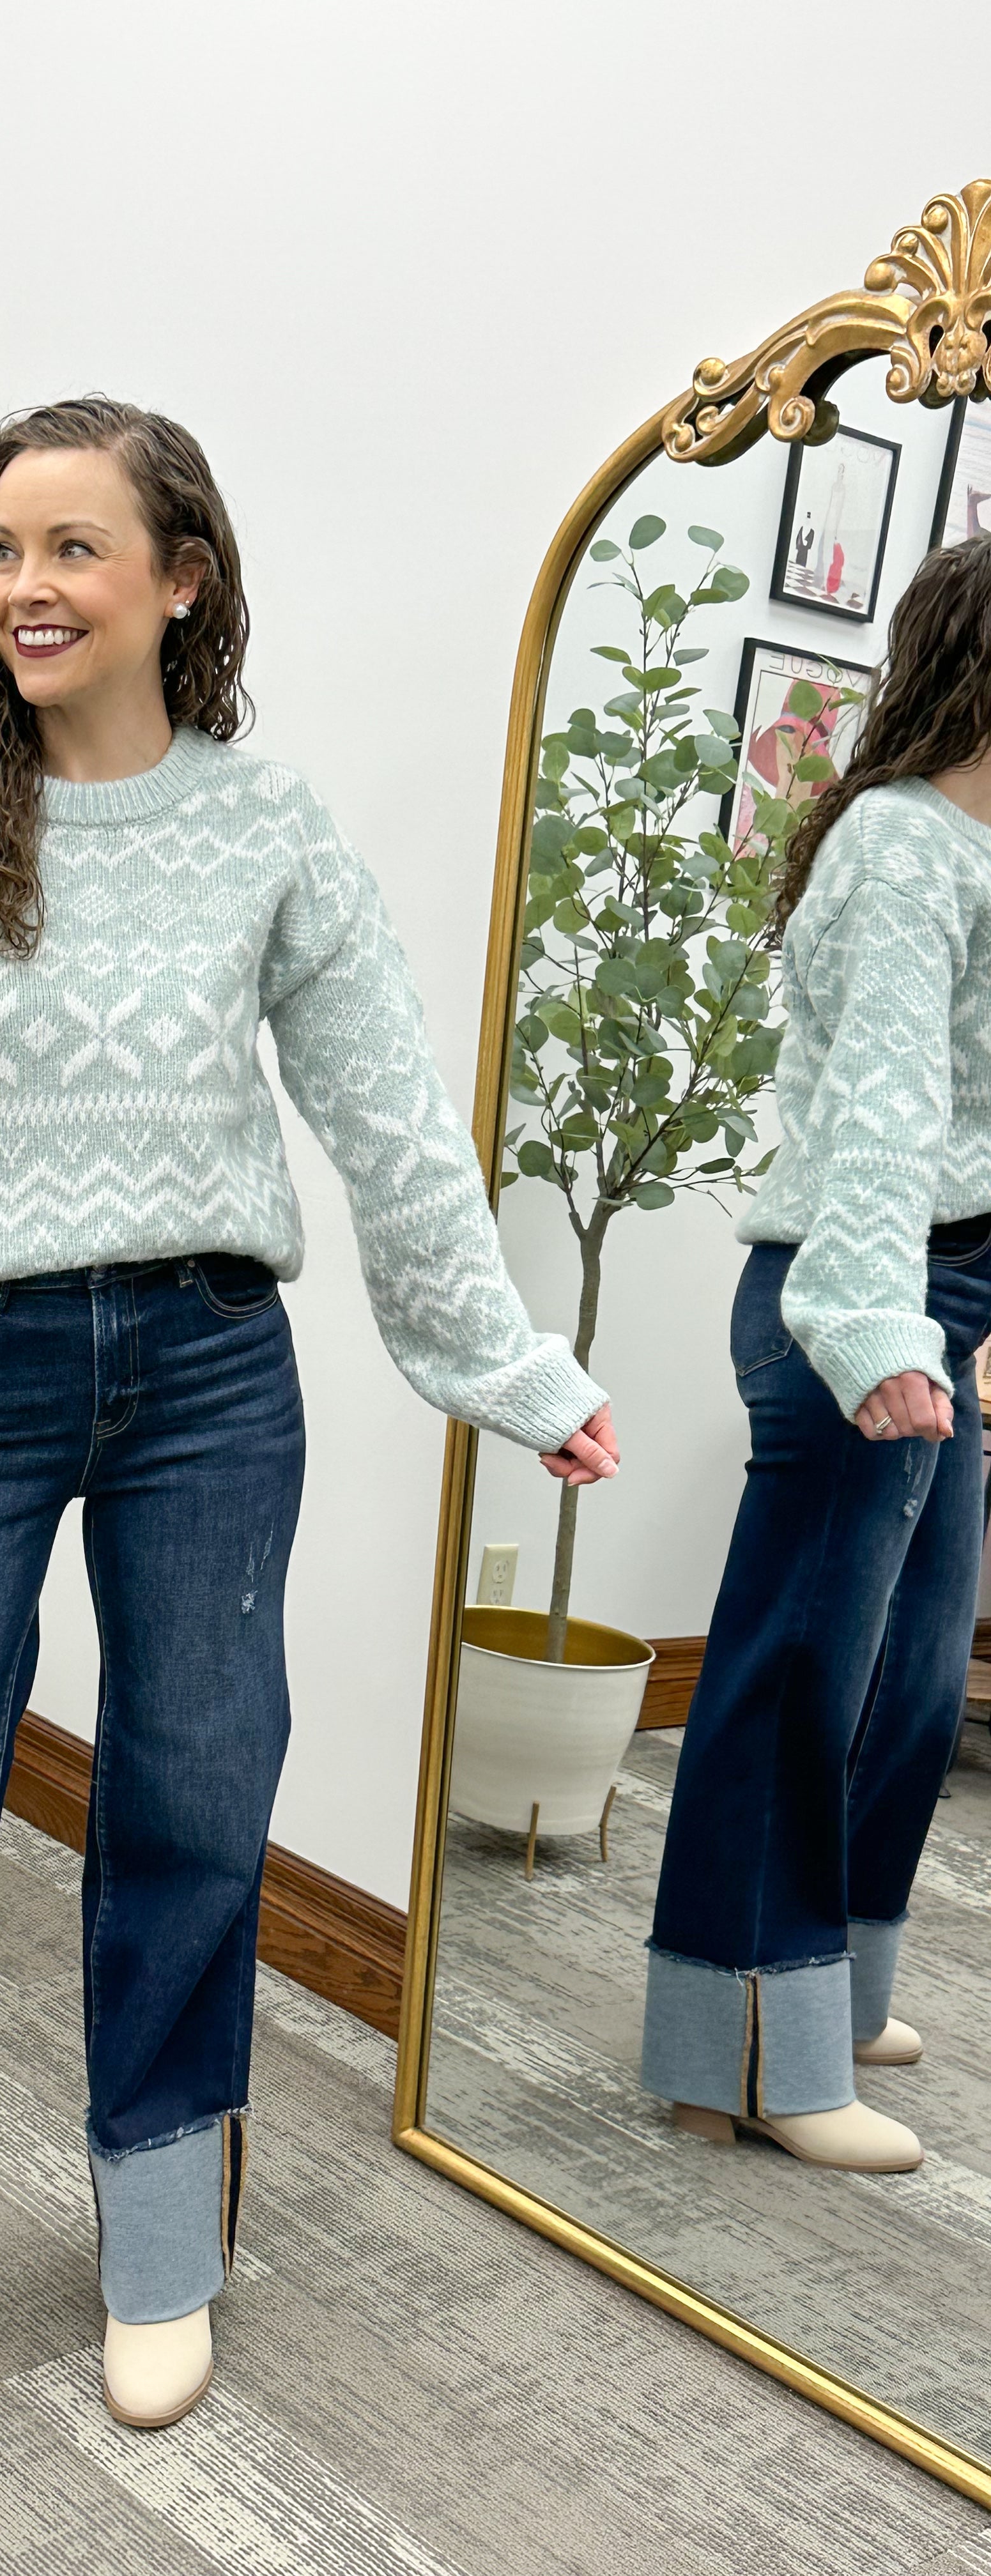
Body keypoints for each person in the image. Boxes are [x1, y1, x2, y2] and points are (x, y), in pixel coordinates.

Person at [0, 396, 615, 2428]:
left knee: (198, 1812)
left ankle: (158, 2246)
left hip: (213, 1374)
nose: (23, 589)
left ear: (180, 579)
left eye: (71, 550)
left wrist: (510, 1367)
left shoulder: (267, 829)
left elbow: (390, 1122)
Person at [642, 532, 991, 2175]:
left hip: (945, 1291)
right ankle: (748, 2057)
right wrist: (873, 1324)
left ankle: (832, 1991)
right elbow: (885, 1112)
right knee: (797, 1678)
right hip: (856, 1284)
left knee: (912, 1677)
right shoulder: (906, 848)